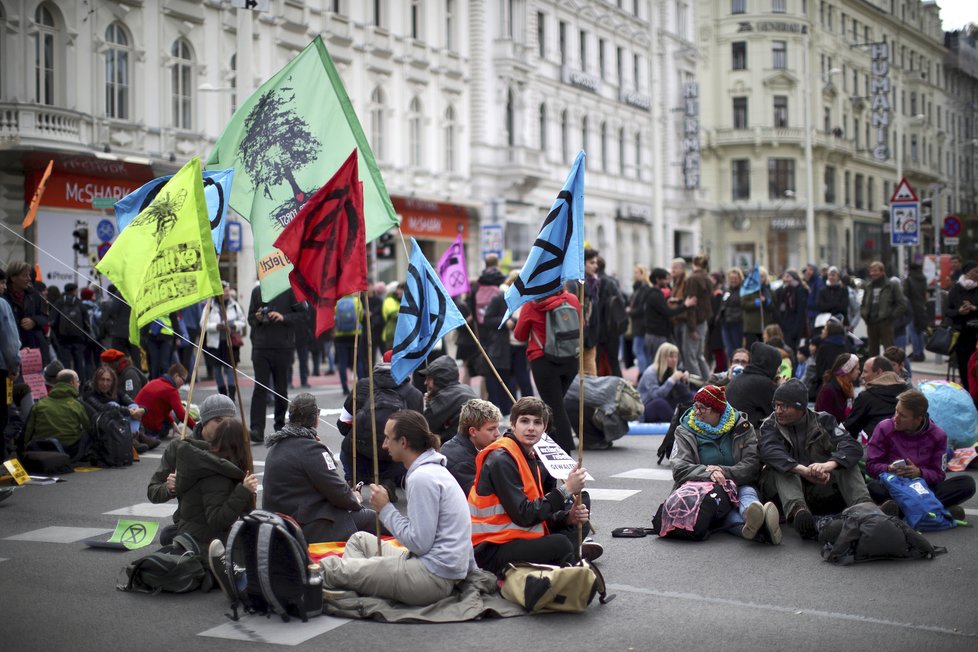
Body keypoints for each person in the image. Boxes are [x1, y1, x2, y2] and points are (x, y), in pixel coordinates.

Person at [318, 410, 477, 606]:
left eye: (387, 438)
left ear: (403, 442)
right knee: (360, 540)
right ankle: (356, 586)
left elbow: (419, 543)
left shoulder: (422, 478)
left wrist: (385, 509)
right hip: (436, 566)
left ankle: (337, 581)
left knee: (331, 567)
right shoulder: (430, 469)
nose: (384, 445)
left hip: (433, 576)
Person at [468, 397, 598, 575]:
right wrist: (565, 490)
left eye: (537, 423)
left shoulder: (527, 454)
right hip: (490, 548)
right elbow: (525, 515)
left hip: (515, 536)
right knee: (561, 544)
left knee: (579, 508)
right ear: (512, 425)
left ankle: (568, 562)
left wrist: (568, 518)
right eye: (524, 421)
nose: (531, 428)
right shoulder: (502, 459)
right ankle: (569, 566)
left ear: (544, 429)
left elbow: (537, 512)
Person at [758, 379, 871, 539]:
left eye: (784, 406)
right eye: (776, 405)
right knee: (781, 465)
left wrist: (829, 465)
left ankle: (866, 508)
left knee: (846, 462)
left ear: (800, 407)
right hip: (783, 491)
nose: (778, 411)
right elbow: (769, 451)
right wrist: (802, 470)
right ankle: (799, 514)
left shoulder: (824, 421)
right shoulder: (770, 425)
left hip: (821, 485)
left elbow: (852, 446)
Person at [671, 385, 781, 544]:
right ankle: (762, 528)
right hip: (704, 490)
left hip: (739, 483)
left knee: (748, 492)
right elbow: (679, 468)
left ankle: (752, 515)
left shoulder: (742, 427)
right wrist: (708, 472)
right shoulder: (684, 431)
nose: (696, 412)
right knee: (723, 513)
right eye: (695, 406)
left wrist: (723, 471)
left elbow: (752, 465)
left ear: (717, 410)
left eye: (703, 408)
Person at [263, 394, 377, 542]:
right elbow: (338, 492)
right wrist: (355, 499)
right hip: (303, 526)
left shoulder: (277, 444)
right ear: (316, 419)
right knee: (371, 518)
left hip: (279, 523)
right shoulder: (310, 449)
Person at [865, 389, 976, 519]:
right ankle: (934, 510)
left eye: (903, 415)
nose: (896, 418)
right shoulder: (884, 427)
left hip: (924, 489)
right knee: (873, 487)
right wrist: (889, 468)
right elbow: (871, 465)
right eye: (896, 411)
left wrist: (919, 472)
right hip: (894, 486)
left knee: (967, 483)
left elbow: (939, 475)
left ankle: (902, 510)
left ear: (918, 419)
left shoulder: (938, 436)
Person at [147, 393, 238, 545]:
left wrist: (246, 492)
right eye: (218, 420)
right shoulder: (180, 447)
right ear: (204, 421)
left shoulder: (236, 447)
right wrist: (168, 488)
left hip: (222, 522)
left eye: (229, 422)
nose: (224, 427)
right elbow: (153, 491)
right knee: (167, 536)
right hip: (188, 524)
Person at [337, 353, 424, 499]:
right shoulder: (414, 394)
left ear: (380, 363)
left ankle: (355, 483)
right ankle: (388, 483)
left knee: (348, 449)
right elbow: (417, 438)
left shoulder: (363, 385)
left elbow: (343, 425)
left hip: (357, 455)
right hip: (393, 459)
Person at [513, 288, 582, 453]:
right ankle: (551, 444)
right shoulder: (572, 299)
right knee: (556, 404)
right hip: (571, 359)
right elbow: (581, 325)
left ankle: (563, 450)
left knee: (554, 407)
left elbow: (519, 335)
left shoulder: (532, 304)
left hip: (544, 360)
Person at [174, 418, 258, 546]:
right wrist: (243, 491)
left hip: (201, 538)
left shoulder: (224, 467)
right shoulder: (216, 473)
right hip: (202, 545)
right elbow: (217, 521)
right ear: (240, 445)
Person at [247, 286, 302, 443]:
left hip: (283, 346)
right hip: (260, 346)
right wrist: (257, 317)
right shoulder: (257, 291)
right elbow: (250, 318)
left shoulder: (289, 290)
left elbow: (302, 315)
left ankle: (279, 426)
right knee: (259, 388)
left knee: (280, 388)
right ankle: (256, 429)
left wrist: (283, 317)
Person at [20, 369, 91, 461]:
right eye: (78, 381)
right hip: (69, 451)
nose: (79, 384)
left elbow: (28, 431)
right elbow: (89, 428)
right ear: (72, 382)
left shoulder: (40, 404)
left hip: (42, 448)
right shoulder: (77, 405)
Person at [80, 365, 148, 452]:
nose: (105, 383)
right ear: (96, 381)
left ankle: (133, 438)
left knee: (134, 407)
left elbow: (133, 403)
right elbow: (103, 408)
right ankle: (132, 440)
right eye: (102, 379)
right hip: (102, 429)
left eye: (108, 380)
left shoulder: (116, 392)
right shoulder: (89, 393)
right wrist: (127, 411)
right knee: (113, 404)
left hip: (120, 428)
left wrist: (142, 410)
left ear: (113, 382)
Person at [441, 399, 502, 495]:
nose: (498, 434)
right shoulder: (463, 463)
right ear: (473, 431)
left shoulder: (459, 445)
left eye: (497, 427)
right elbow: (481, 497)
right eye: (491, 429)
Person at [843, 357, 904, 441]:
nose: (862, 376)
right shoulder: (908, 392)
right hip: (906, 450)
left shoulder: (866, 397)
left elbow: (850, 428)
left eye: (865, 371)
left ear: (879, 372)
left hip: (876, 450)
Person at [643, 267, 696, 365]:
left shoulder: (651, 293)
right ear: (658, 279)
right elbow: (668, 312)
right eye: (665, 279)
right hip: (657, 335)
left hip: (654, 334)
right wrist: (686, 305)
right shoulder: (655, 295)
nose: (668, 282)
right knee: (661, 363)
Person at [204, 281, 247, 400]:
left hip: (230, 343)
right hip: (216, 343)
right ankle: (223, 395)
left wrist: (233, 325)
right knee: (217, 370)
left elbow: (242, 321)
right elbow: (203, 324)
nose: (228, 293)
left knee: (230, 369)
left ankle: (232, 396)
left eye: (228, 291)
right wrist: (216, 326)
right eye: (225, 291)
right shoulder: (210, 306)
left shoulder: (234, 305)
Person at [133, 362, 196, 444]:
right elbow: (182, 415)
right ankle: (149, 437)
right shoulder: (171, 390)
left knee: (172, 417)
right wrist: (197, 428)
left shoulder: (156, 381)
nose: (183, 384)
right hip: (149, 427)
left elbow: (159, 407)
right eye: (183, 380)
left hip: (137, 422)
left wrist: (172, 422)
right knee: (175, 414)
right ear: (176, 376)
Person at [420, 355, 477, 442]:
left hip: (455, 448)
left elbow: (424, 426)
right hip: (467, 443)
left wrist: (428, 403)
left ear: (438, 379)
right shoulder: (465, 388)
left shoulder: (444, 398)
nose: (425, 383)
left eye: (429, 379)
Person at [725, 341, 782, 428]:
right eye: (777, 366)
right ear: (770, 364)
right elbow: (778, 410)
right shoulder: (763, 383)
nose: (778, 371)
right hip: (746, 434)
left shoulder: (741, 377)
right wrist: (781, 387)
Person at [3, 261, 50, 363]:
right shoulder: (3, 298)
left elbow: (45, 317)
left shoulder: (34, 295)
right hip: (14, 350)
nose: (29, 278)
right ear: (13, 278)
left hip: (35, 349)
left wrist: (34, 321)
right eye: (25, 275)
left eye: (29, 275)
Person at [860, 261, 906, 356]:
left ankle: (891, 370)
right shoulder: (868, 286)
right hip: (871, 322)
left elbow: (901, 304)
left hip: (885, 323)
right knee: (872, 352)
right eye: (871, 271)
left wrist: (891, 317)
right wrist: (864, 314)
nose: (873, 273)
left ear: (882, 271)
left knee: (889, 351)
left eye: (875, 271)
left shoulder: (891, 285)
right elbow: (863, 304)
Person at [638, 343, 693, 422]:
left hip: (666, 402)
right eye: (671, 357)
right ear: (662, 357)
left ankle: (691, 420)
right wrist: (672, 380)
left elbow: (683, 394)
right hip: (646, 408)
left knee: (690, 396)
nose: (674, 360)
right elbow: (655, 395)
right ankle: (676, 424)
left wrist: (684, 381)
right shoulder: (650, 373)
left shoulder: (671, 370)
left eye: (675, 357)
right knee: (660, 404)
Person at [680, 255, 714, 380]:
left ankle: (698, 385)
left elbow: (691, 304)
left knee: (690, 356)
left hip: (695, 321)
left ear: (694, 263)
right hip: (703, 319)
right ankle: (707, 382)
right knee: (699, 355)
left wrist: (691, 327)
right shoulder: (707, 278)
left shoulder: (693, 279)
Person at [946, 262, 978, 394]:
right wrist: (959, 311)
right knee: (964, 368)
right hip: (961, 336)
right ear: (967, 272)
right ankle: (968, 393)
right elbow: (947, 311)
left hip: (976, 334)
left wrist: (974, 308)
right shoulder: (956, 289)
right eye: (976, 271)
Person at [0, 268, 22, 441]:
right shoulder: (2, 305)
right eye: (1, 283)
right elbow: (10, 343)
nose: (4, 287)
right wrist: (14, 366)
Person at [51, 282, 91, 377]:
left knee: (66, 364)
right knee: (79, 365)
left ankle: (67, 383)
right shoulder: (78, 302)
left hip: (63, 340)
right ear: (74, 291)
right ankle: (80, 384)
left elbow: (53, 321)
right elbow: (86, 322)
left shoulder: (59, 302)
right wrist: (86, 337)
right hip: (78, 339)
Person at [814, 353, 860, 425]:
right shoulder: (828, 391)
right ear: (848, 370)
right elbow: (824, 421)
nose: (859, 372)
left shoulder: (847, 388)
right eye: (857, 368)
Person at [740, 266, 776, 346]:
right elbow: (743, 304)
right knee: (751, 347)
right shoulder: (748, 290)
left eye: (762, 276)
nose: (760, 278)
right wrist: (755, 303)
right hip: (751, 326)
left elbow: (773, 307)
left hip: (766, 325)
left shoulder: (769, 291)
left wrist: (766, 302)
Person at [628, 264, 654, 372]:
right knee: (644, 351)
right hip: (642, 324)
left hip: (641, 325)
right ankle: (647, 373)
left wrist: (631, 311)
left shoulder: (643, 289)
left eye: (636, 272)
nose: (634, 275)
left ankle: (644, 374)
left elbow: (642, 308)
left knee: (638, 350)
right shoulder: (640, 288)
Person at [776, 270, 808, 352]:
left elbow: (801, 310)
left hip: (796, 324)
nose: (786, 279)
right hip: (786, 323)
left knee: (796, 347)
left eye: (788, 277)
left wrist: (797, 327)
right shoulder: (784, 290)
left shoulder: (800, 289)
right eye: (785, 277)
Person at [903, 262, 929, 362]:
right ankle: (920, 352)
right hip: (921, 308)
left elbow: (905, 295)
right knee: (920, 331)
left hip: (911, 309)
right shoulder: (923, 279)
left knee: (913, 331)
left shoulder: (909, 280)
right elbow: (925, 294)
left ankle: (916, 353)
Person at [719, 268, 745, 361]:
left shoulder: (743, 291)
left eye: (735, 278)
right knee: (728, 350)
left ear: (740, 279)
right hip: (726, 324)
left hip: (737, 323)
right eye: (731, 278)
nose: (733, 280)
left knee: (737, 350)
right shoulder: (727, 291)